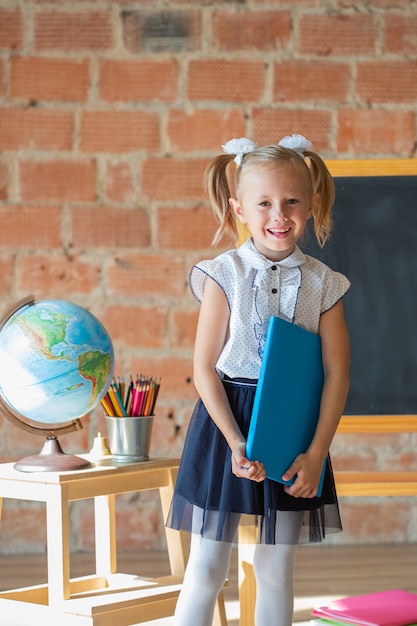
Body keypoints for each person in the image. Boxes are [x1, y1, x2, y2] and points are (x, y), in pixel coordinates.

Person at [166, 134, 350, 626]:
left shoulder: (323, 283)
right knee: (206, 568)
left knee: (275, 567)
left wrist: (314, 453)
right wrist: (234, 441)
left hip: (292, 430)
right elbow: (205, 368)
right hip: (226, 425)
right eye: (264, 202)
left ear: (311, 205)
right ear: (239, 209)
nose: (279, 214)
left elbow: (337, 373)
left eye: (292, 201)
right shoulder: (222, 273)